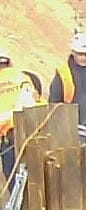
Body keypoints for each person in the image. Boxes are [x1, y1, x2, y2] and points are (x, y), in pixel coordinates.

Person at [0, 49, 42, 193]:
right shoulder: (22, 77)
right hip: (29, 134)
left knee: (14, 183)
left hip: (8, 139)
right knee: (34, 180)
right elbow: (33, 101)